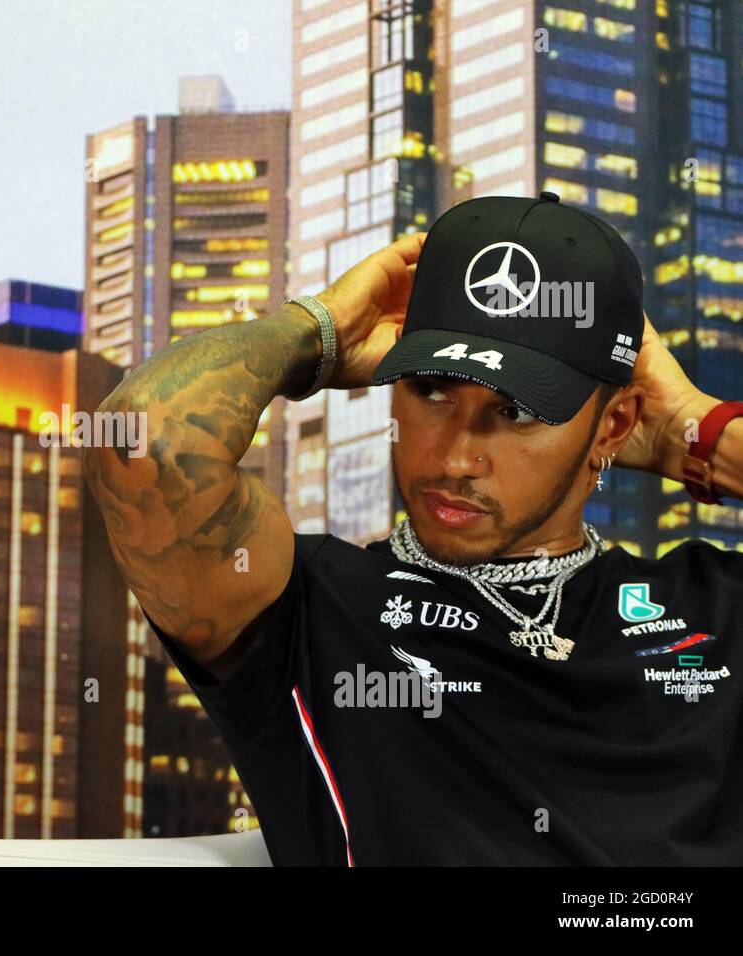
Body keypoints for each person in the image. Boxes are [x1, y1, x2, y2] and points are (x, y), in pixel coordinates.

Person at [85, 191, 743, 865]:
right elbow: (146, 436)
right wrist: (319, 328)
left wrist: (692, 430)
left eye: (515, 412)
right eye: (430, 390)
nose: (456, 459)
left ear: (614, 425)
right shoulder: (310, 612)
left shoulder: (712, 609)